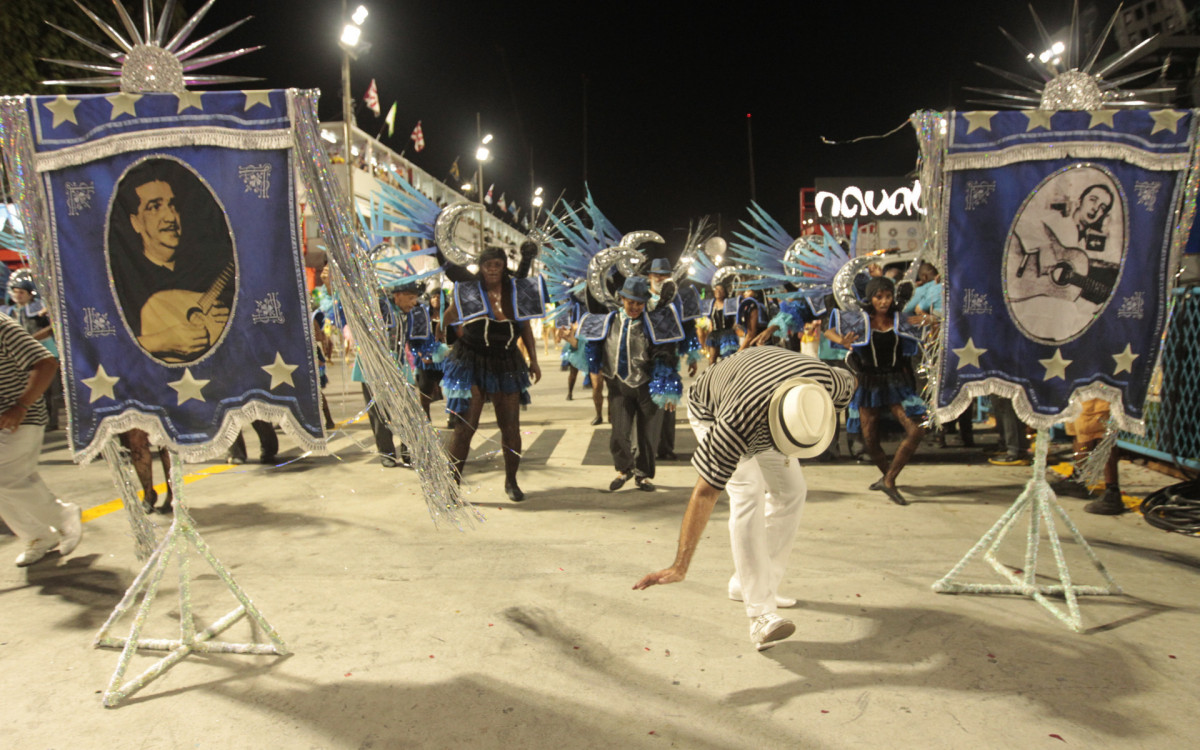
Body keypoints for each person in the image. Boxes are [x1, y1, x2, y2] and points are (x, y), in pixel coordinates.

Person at [633, 346, 856, 651]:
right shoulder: (736, 424)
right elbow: (705, 492)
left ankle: (753, 583)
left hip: (773, 393)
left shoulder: (829, 385)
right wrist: (680, 565)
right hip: (714, 409)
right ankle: (760, 615)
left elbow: (852, 378)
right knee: (748, 492)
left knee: (792, 491)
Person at [442, 245, 543, 501]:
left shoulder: (517, 291)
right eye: (488, 264)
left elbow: (526, 327)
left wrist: (534, 360)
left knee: (511, 427)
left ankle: (512, 482)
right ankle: (451, 486)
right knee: (465, 427)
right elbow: (449, 318)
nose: (493, 269)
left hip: (507, 360)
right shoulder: (467, 291)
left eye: (498, 264)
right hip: (472, 360)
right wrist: (456, 338)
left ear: (503, 266)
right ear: (481, 267)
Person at [109, 158, 234, 363]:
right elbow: (104, 350)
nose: (169, 216)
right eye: (154, 207)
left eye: (172, 205)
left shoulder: (209, 265)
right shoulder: (118, 276)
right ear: (135, 222)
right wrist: (160, 341)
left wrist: (224, 322)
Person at [825, 277, 926, 505]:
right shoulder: (860, 320)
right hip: (869, 382)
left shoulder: (900, 320)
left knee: (919, 429)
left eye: (888, 296)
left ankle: (889, 480)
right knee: (870, 440)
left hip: (897, 381)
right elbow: (828, 331)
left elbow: (927, 323)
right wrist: (843, 341)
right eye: (879, 297)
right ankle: (888, 477)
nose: (884, 301)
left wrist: (930, 320)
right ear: (870, 298)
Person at [0, 312, 82, 566]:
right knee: (13, 481)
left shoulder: (2, 326)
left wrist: (21, 406)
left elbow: (45, 362)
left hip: (19, 418)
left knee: (8, 478)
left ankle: (63, 517)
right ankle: (38, 536)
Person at [596, 276, 680, 492]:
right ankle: (625, 469)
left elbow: (667, 355)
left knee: (648, 435)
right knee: (619, 433)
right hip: (619, 386)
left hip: (647, 386)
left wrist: (667, 388)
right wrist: (571, 339)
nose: (634, 307)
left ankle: (643, 475)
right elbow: (593, 346)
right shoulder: (610, 320)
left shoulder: (655, 322)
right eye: (630, 302)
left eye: (639, 303)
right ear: (622, 299)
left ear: (645, 303)